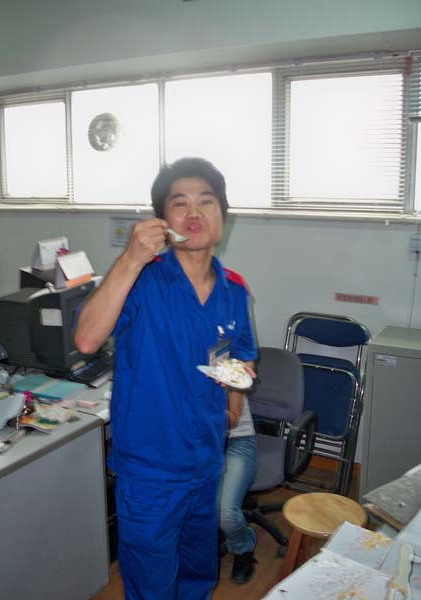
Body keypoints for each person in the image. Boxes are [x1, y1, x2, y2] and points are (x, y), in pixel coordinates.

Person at [75, 157, 257, 600]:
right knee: (152, 585)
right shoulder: (140, 280)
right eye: (180, 203)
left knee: (198, 575)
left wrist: (234, 401)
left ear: (224, 217)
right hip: (151, 470)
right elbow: (86, 339)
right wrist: (130, 258)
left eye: (206, 202)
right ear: (162, 220)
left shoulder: (234, 291)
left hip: (207, 461)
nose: (194, 212)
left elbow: (242, 356)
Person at [219, 393, 258, 584]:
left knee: (225, 513)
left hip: (237, 442)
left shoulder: (231, 373)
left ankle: (244, 547)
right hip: (199, 443)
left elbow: (231, 419)